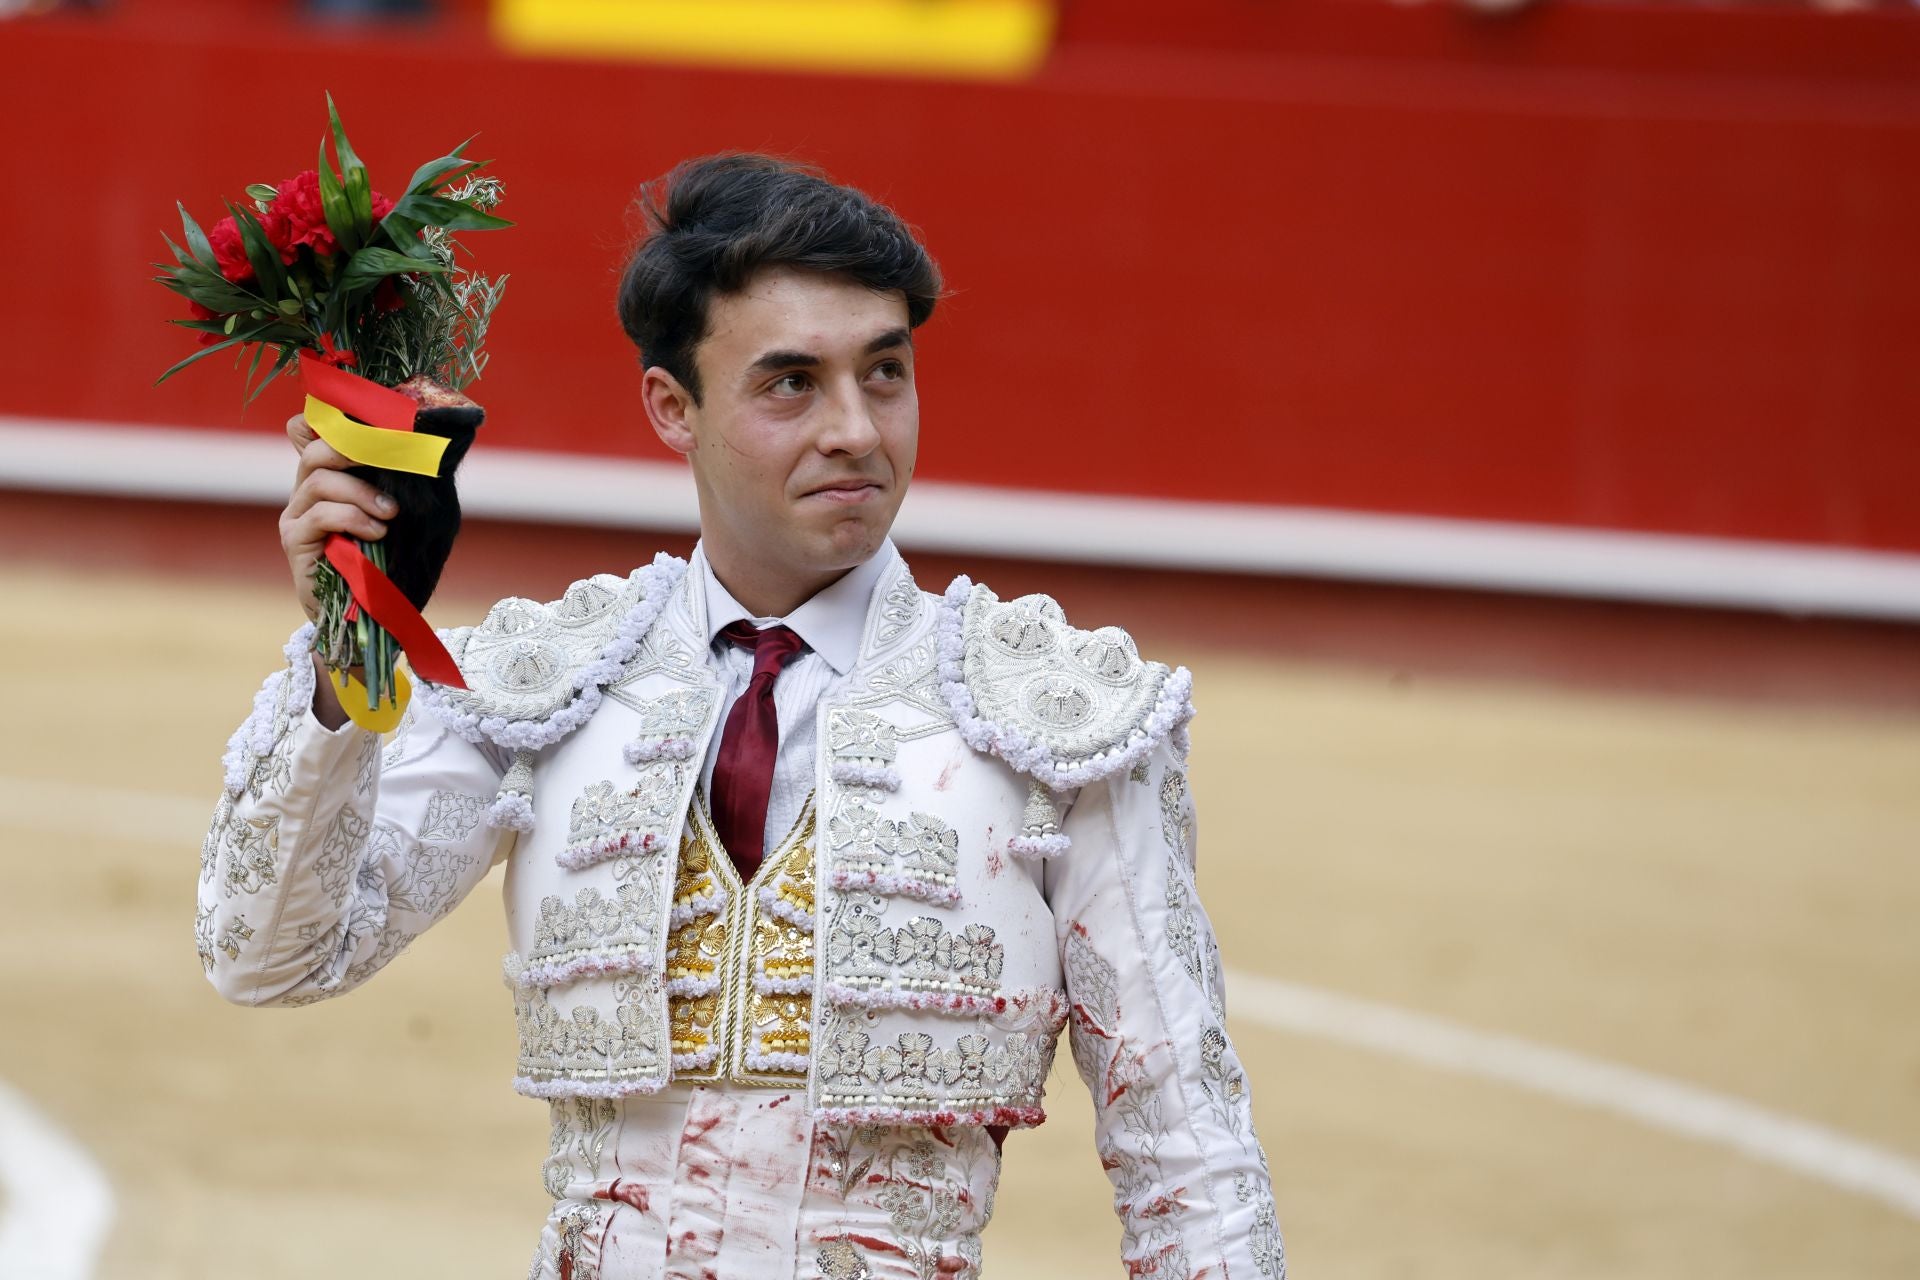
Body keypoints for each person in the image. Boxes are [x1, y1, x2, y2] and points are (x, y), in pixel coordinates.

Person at [199, 153, 1285, 1279]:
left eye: (886, 373)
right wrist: (353, 642)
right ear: (674, 408)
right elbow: (268, 953)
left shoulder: (1054, 720)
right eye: (791, 383)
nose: (857, 429)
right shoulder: (553, 686)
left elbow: (1188, 1163)